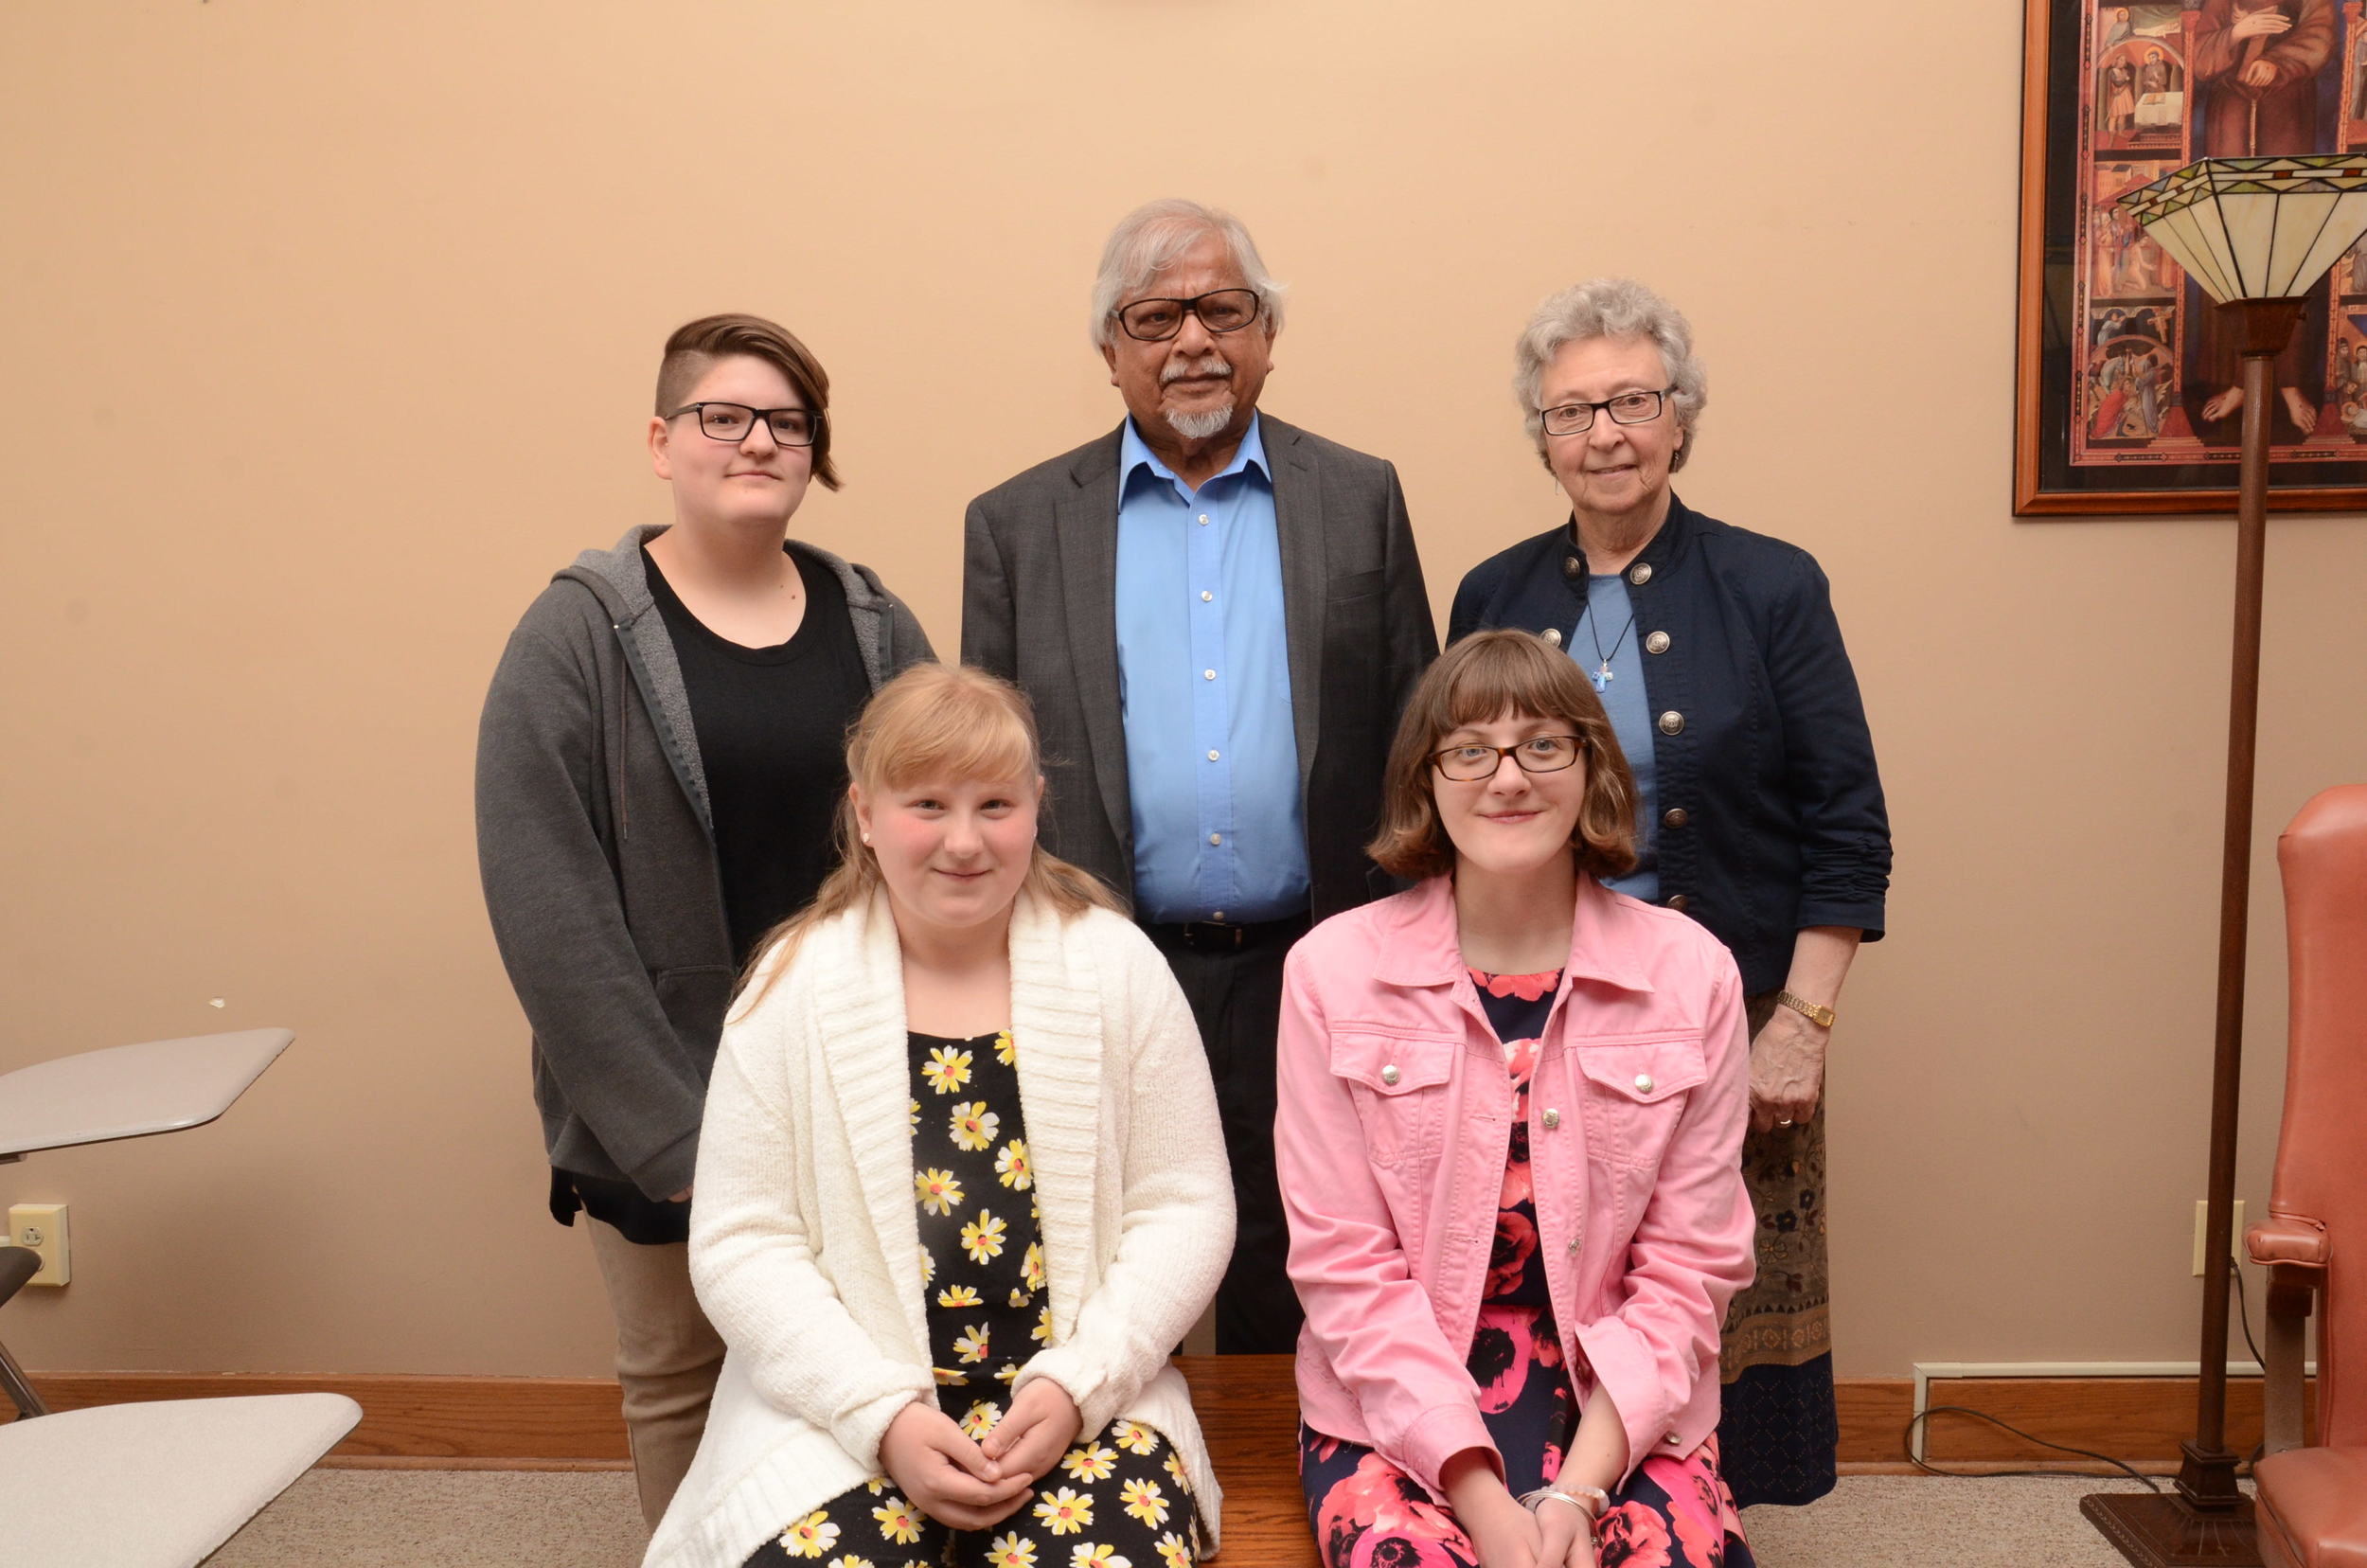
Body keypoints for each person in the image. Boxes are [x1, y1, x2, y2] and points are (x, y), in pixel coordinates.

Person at [475, 312, 933, 1527]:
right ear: (662, 440)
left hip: (852, 1080)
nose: (756, 441)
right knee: (681, 1381)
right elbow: (547, 908)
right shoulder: (574, 635)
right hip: (660, 1104)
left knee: (862, 1368)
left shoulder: (875, 623)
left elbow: (949, 842)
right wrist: (678, 1147)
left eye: (786, 422)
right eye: (723, 416)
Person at [963, 198, 1437, 1353]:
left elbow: (1416, 736)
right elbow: (982, 778)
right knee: (1112, 1261)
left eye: (1223, 309)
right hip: (1106, 959)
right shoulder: (1018, 525)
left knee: (1309, 1259)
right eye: (1155, 315)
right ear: (1110, 348)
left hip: (1316, 958)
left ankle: (1305, 1501)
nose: (1192, 341)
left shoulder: (1358, 495)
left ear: (1266, 331)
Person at [1450, 278, 1890, 1508]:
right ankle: (1556, 1511)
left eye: (1632, 402)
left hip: (1733, 1008)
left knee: (1706, 1294)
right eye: (1573, 410)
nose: (1603, 434)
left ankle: (1701, 1523)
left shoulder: (1772, 585)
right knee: (1545, 1286)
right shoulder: (1494, 596)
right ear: (1541, 436)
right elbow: (1461, 808)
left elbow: (1848, 822)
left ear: (1681, 419)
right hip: (1533, 1010)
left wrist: (1801, 1024)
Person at [642, 665, 1234, 1568]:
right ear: (865, 816)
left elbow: (1186, 1205)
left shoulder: (1117, 968)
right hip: (843, 1406)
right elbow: (740, 1240)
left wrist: (1086, 1382)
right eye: (927, 805)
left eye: (995, 805)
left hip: (1077, 1400)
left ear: (1036, 807)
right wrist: (878, 1416)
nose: (964, 841)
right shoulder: (791, 986)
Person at [1277, 631, 1756, 1568]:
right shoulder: (1330, 973)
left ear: (1592, 769)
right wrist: (1483, 1502)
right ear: (1426, 778)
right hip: (1397, 1394)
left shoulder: (1692, 974)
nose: (1508, 778)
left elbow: (1690, 1267)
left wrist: (1578, 1491)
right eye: (1469, 750)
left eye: (1543, 745)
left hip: (1620, 1396)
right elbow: (1343, 1267)